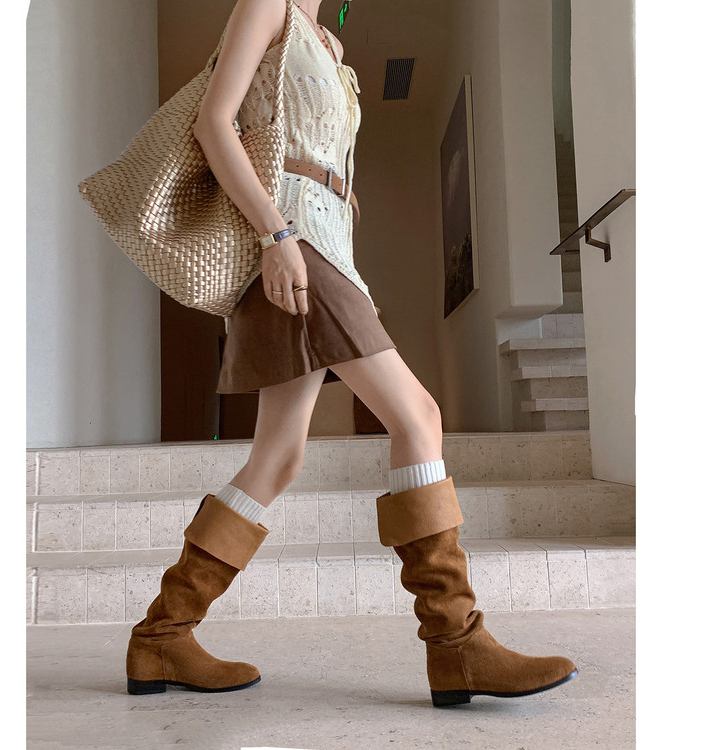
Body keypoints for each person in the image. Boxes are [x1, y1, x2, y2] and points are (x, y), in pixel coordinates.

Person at [125, 0, 577, 707]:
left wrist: (340, 198)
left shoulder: (330, 45)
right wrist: (275, 235)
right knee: (418, 416)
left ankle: (161, 637)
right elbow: (214, 125)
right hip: (293, 237)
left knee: (278, 459)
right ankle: (456, 642)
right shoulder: (266, 6)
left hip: (326, 240)